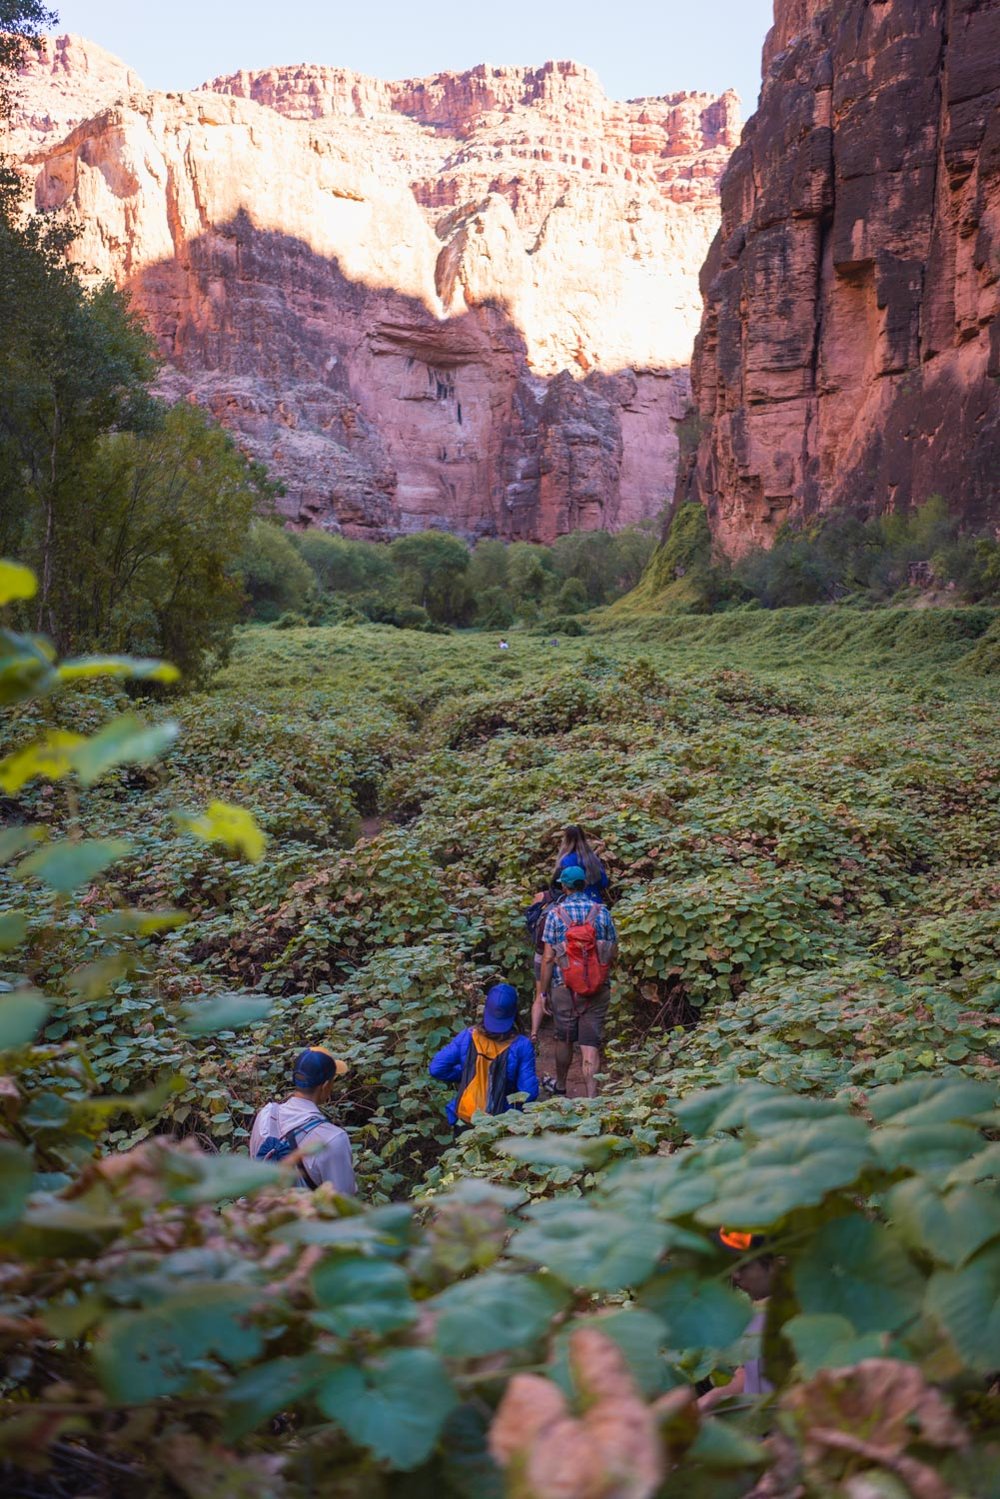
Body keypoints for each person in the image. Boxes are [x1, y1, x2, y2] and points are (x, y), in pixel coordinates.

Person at [536, 865, 618, 1098]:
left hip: (564, 988)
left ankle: (561, 1086)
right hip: (598, 987)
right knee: (590, 1045)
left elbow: (549, 958)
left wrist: (543, 992)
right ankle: (592, 1099)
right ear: (584, 884)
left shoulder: (555, 914)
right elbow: (612, 950)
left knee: (564, 1038)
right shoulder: (601, 912)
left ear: (564, 886)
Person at [429, 983, 538, 1128]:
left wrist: (468, 1074)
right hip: (502, 1120)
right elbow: (529, 1093)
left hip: (465, 1115)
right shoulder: (522, 1045)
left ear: (486, 1011)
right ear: (514, 1014)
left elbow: (436, 1068)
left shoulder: (467, 1036)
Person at [250, 1046, 356, 1194]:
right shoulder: (333, 1139)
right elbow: (343, 1201)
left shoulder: (266, 1114)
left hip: (261, 1212)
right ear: (325, 1086)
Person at [698, 1232, 775, 1411]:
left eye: (744, 1265)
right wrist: (708, 1400)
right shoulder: (755, 1313)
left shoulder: (809, 1321)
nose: (735, 1275)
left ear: (779, 1262)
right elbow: (749, 1375)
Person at [553, 824, 609, 903]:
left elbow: (557, 886)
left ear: (566, 839)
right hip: (595, 901)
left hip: (571, 903)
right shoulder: (592, 859)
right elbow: (604, 883)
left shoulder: (565, 860)